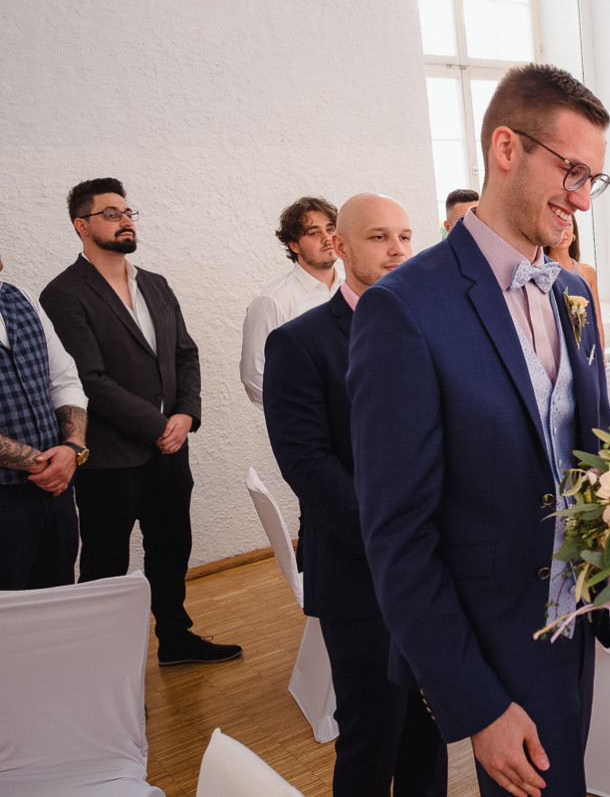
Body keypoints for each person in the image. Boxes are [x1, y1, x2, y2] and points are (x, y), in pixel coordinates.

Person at [347, 63, 610, 797]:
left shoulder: (572, 293)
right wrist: (476, 704)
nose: (582, 197)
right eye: (571, 171)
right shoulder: (403, 308)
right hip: (490, 646)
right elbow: (397, 535)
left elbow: (592, 451)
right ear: (506, 148)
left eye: (595, 179)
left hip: (575, 626)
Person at [264, 194, 445, 797]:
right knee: (371, 734)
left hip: (434, 565)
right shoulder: (298, 342)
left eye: (404, 236)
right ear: (339, 246)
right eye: (378, 237)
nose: (396, 250)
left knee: (427, 730)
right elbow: (307, 464)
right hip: (359, 566)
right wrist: (392, 539)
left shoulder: (431, 323)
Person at [41, 177, 241, 665]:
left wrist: (186, 414)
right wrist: (157, 426)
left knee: (171, 551)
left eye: (129, 212)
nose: (125, 220)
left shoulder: (155, 284)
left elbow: (185, 355)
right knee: (106, 563)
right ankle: (103, 664)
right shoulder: (63, 294)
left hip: (172, 449)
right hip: (111, 458)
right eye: (111, 213)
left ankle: (175, 639)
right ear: (81, 226)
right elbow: (88, 379)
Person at [0, 252, 87, 590]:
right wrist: (42, 464)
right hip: (8, 498)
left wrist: (72, 448)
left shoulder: (22, 298)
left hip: (57, 490)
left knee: (58, 597)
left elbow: (63, 379)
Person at [240, 197, 344, 409]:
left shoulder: (354, 290)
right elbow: (254, 376)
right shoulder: (272, 301)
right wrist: (301, 417)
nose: (327, 238)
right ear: (294, 245)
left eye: (330, 229)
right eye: (314, 233)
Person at [545, 216, 603, 349]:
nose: (563, 231)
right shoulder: (541, 273)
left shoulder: (588, 272)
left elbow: (596, 320)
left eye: (568, 225)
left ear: (574, 232)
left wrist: (601, 358)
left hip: (586, 346)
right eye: (556, 224)